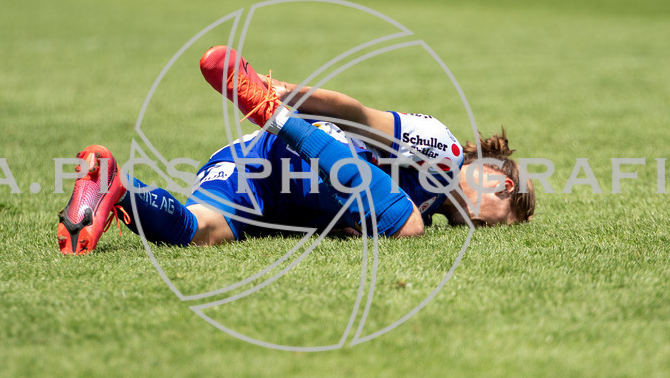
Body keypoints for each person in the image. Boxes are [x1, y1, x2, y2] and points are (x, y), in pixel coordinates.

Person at [56, 46, 534, 254]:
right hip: (310, 143)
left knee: (195, 231)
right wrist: (279, 91)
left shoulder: (431, 208)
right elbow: (358, 115)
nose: (489, 227)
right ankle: (270, 109)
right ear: (501, 182)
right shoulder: (444, 150)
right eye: (503, 218)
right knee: (405, 223)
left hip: (252, 169)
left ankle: (115, 188)